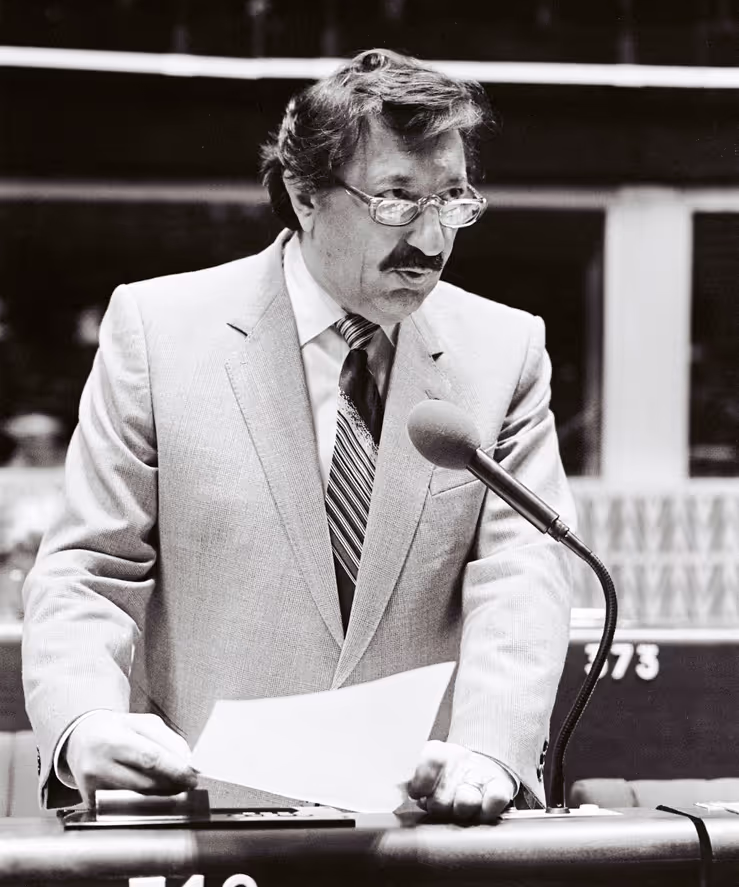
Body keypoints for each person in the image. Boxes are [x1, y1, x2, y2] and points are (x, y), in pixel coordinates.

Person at [22, 48, 573, 822]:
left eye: (450, 200)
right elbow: (89, 569)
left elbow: (521, 576)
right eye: (395, 199)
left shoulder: (502, 349)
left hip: (426, 821)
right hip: (204, 818)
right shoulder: (158, 331)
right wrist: (84, 721)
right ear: (303, 194)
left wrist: (489, 753)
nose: (429, 239)